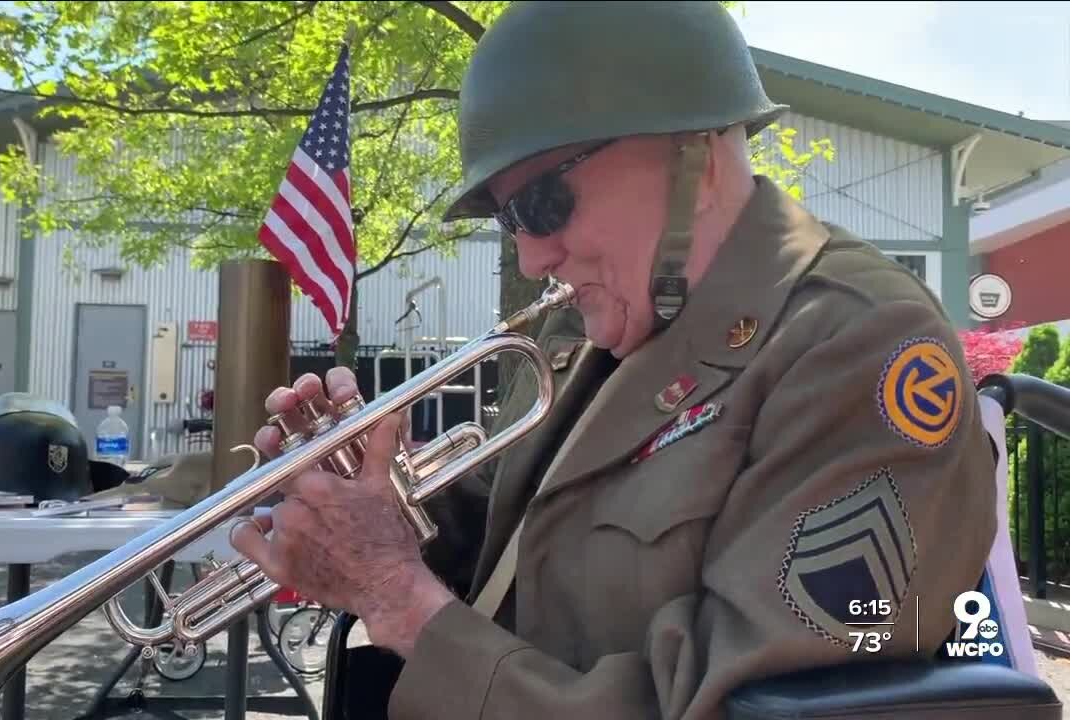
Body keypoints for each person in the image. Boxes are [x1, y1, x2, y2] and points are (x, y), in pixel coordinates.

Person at [230, 2, 999, 719]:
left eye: (542, 204)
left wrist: (398, 600)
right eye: (509, 220)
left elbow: (737, 704)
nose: (532, 256)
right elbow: (499, 550)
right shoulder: (590, 331)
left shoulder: (856, 346)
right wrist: (365, 505)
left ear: (690, 156)